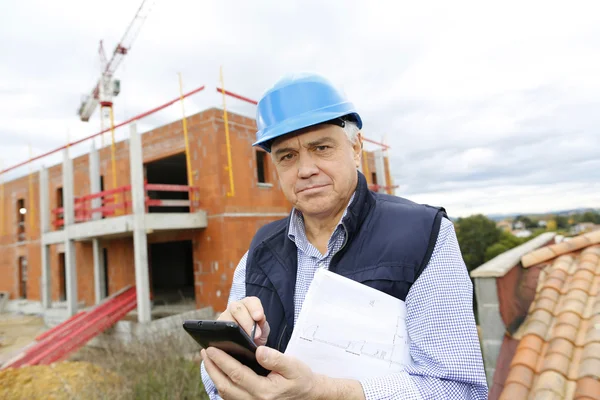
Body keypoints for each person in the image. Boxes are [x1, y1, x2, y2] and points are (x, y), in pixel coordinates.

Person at [200, 72, 488, 399]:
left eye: (321, 147)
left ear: (356, 148)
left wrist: (326, 393)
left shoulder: (425, 235)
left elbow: (458, 389)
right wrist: (227, 348)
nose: (305, 169)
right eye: (287, 156)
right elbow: (217, 387)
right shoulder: (258, 252)